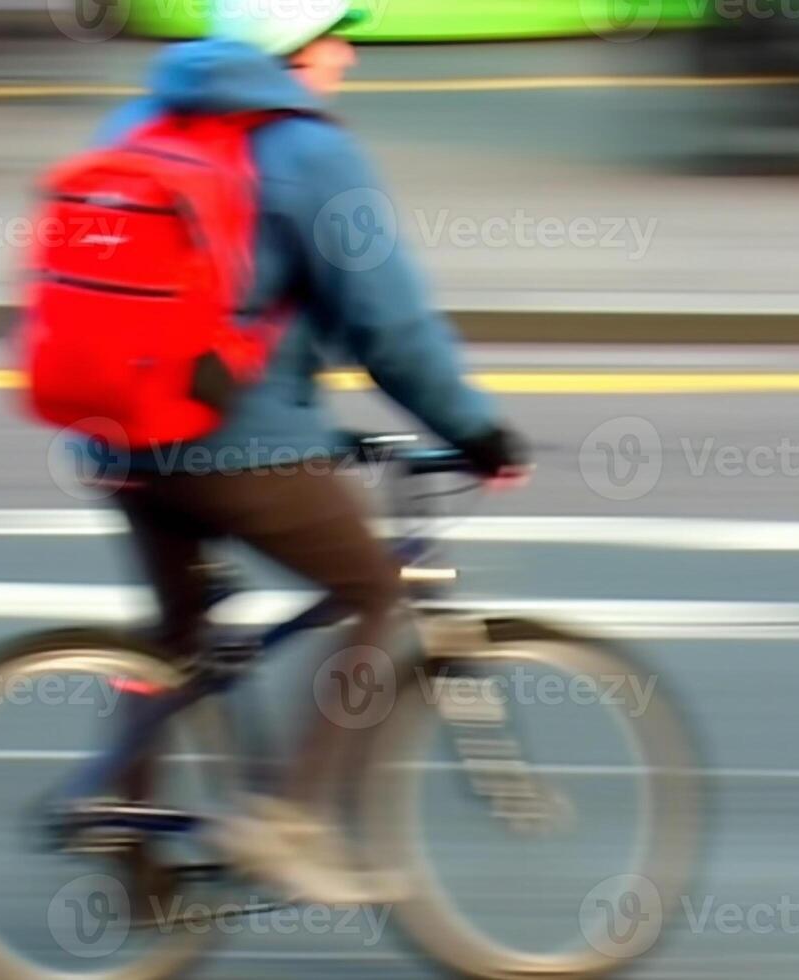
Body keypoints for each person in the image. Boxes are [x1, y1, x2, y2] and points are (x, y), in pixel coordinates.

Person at [91, 0, 529, 905]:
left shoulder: (137, 119)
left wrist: (319, 427)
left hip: (116, 431)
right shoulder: (310, 152)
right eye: (337, 38)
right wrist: (477, 434)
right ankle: (287, 820)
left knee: (182, 640)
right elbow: (390, 327)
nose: (346, 59)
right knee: (375, 589)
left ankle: (117, 824)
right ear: (291, 49)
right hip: (227, 449)